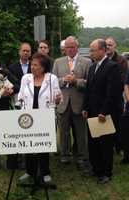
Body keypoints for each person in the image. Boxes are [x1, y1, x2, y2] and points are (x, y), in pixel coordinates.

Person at [83, 39, 122, 184]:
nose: (90, 52)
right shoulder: (92, 67)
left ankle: (106, 172)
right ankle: (96, 168)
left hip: (104, 114)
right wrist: (85, 108)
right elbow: (88, 90)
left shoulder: (112, 67)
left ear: (102, 50)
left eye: (93, 50)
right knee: (93, 142)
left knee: (105, 144)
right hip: (92, 112)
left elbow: (113, 92)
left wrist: (104, 112)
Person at [18, 52, 62, 183]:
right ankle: (29, 171)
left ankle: (45, 172)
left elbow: (58, 97)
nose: (32, 67)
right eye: (31, 64)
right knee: (29, 145)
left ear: (43, 67)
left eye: (35, 65)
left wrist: (58, 99)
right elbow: (20, 96)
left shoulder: (51, 78)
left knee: (43, 145)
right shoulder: (25, 78)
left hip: (45, 117)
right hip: (29, 117)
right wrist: (20, 109)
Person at [53, 36, 91, 170]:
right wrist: (64, 80)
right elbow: (53, 82)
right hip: (63, 103)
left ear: (77, 47)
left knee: (81, 133)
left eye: (72, 47)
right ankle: (65, 155)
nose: (69, 49)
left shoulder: (86, 62)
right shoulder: (58, 62)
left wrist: (76, 81)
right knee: (63, 132)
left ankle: (81, 157)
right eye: (67, 47)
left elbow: (89, 83)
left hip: (79, 103)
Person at [7, 42, 32, 169]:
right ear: (19, 52)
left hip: (32, 101)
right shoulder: (12, 67)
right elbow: (11, 84)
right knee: (19, 127)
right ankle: (19, 158)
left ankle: (29, 157)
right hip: (16, 100)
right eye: (24, 50)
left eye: (28, 51)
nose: (26, 53)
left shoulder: (35, 66)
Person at [105, 37, 128, 154]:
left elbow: (124, 79)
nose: (108, 47)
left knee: (117, 123)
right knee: (105, 123)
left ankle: (119, 147)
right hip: (104, 98)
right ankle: (108, 146)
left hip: (117, 97)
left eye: (110, 45)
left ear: (115, 46)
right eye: (106, 45)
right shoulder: (100, 59)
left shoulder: (121, 60)